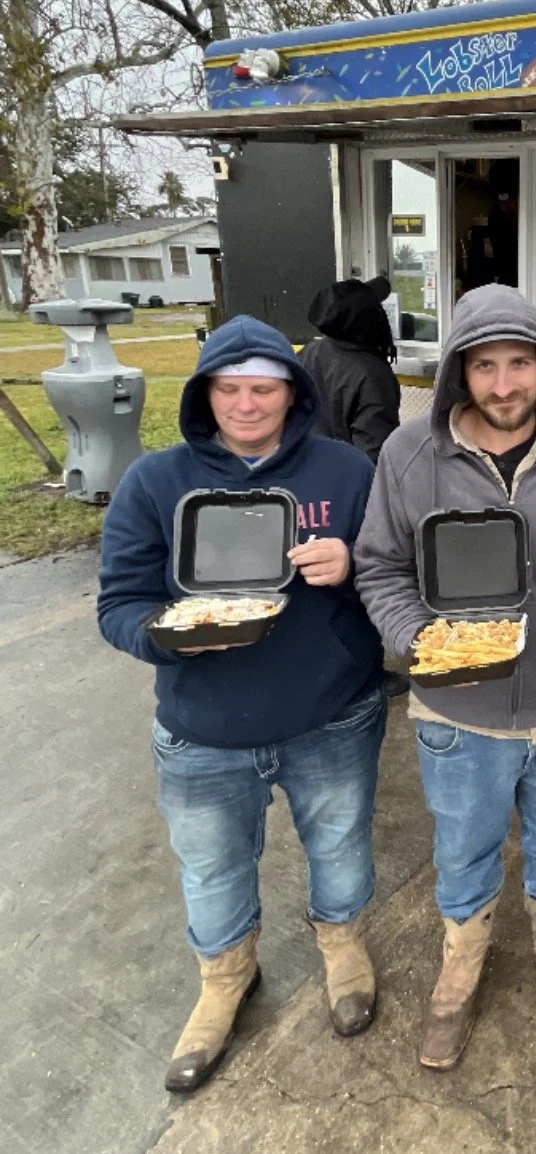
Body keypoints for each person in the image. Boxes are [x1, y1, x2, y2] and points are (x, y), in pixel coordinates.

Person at [97, 317, 387, 1092]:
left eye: (264, 388)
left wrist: (354, 564)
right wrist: (167, 636)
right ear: (204, 392)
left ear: (293, 393)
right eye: (228, 388)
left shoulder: (346, 473)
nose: (246, 404)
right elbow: (119, 602)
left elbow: (394, 577)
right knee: (215, 867)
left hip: (332, 713)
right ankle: (225, 980)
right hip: (203, 726)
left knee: (340, 844)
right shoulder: (154, 482)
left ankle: (343, 946)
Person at [354, 284, 536, 1072]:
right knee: (466, 847)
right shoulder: (408, 455)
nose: (503, 385)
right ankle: (461, 961)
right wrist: (417, 645)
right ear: (458, 373)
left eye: (520, 363)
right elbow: (379, 568)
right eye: (483, 366)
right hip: (455, 713)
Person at [300, 275, 401, 464]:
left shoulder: (310, 351)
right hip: (346, 483)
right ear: (373, 320)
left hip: (304, 474)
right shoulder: (372, 375)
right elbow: (373, 455)